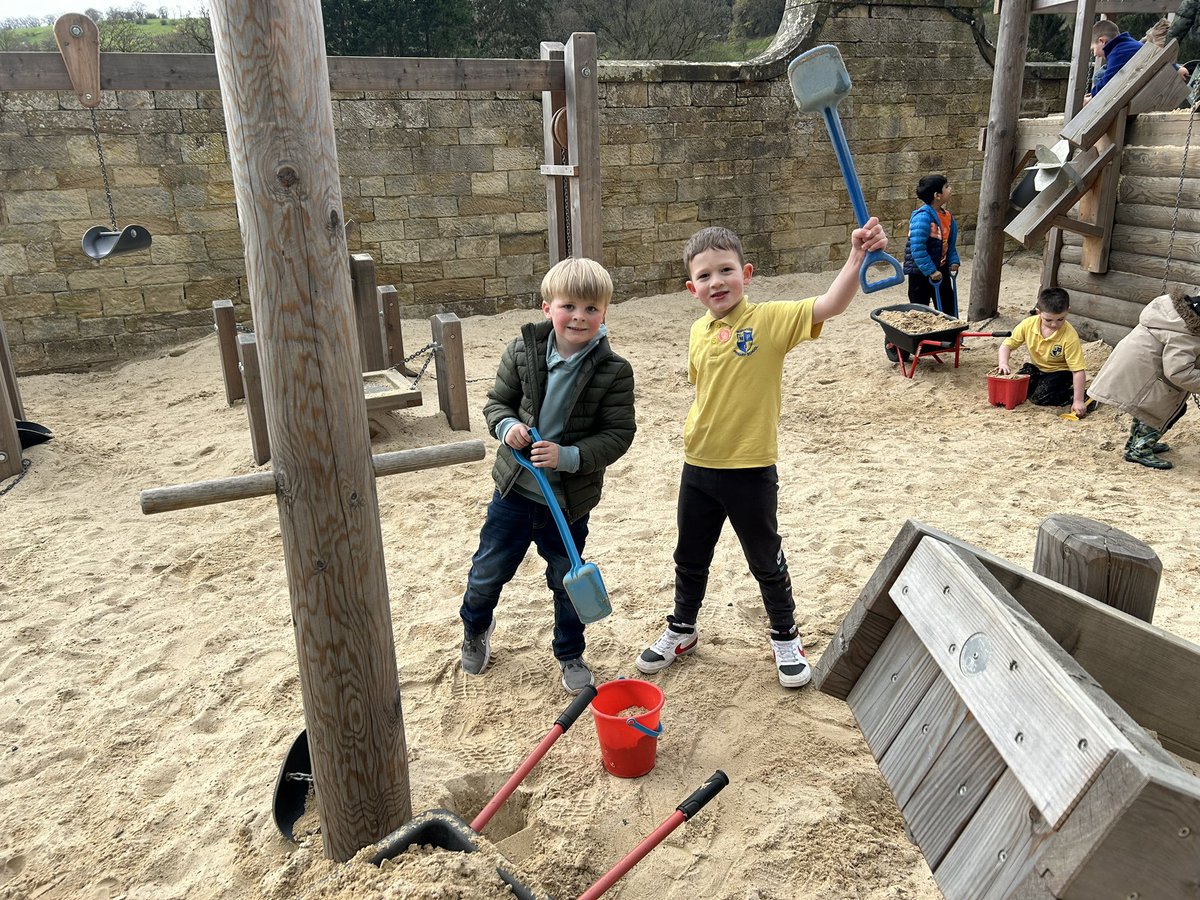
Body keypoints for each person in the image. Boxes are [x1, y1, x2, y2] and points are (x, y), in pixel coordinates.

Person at [635, 217, 890, 689]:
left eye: (726, 270)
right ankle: (682, 628)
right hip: (698, 464)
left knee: (764, 559)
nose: (717, 282)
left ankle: (785, 635)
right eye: (706, 276)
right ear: (692, 288)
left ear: (746, 274)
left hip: (750, 469)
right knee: (689, 555)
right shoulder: (697, 333)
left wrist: (857, 257)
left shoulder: (769, 321)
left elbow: (830, 304)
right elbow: (704, 389)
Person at [459, 256, 636, 694]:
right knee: (487, 571)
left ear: (605, 313)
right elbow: (496, 402)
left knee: (567, 580)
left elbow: (617, 435)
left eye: (591, 308)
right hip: (515, 492)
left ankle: (570, 652)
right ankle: (476, 627)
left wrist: (569, 455)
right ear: (546, 308)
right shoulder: (523, 351)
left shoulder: (614, 371)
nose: (579, 316)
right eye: (569, 306)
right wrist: (507, 427)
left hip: (568, 502)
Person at [1087, 287, 1200, 469]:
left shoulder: (1173, 314)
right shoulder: (1187, 334)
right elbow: (1179, 372)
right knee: (1158, 408)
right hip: (1147, 375)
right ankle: (1139, 449)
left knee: (1146, 407)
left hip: (1139, 367)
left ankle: (1137, 442)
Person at [997, 287, 1091, 417]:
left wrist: (1078, 401)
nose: (1054, 324)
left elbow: (1078, 370)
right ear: (1038, 312)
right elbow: (1006, 345)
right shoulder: (1028, 324)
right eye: (1048, 320)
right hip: (1037, 368)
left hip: (1060, 372)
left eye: (1060, 319)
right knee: (1018, 388)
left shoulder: (1069, 335)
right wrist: (1003, 363)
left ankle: (1081, 396)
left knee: (1039, 398)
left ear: (1068, 311)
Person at [1086, 19, 1189, 102]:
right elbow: (1154, 60)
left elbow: (1109, 79)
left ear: (1102, 41)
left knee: (1100, 76)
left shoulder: (1118, 52)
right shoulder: (1125, 45)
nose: (1095, 54)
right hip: (1141, 75)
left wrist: (1093, 97)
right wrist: (1176, 68)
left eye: (1093, 49)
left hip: (1141, 87)